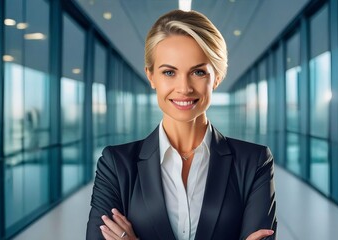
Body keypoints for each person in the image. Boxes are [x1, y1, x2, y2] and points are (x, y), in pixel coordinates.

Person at [86, 9, 277, 240]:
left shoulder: (254, 162)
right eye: (169, 72)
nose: (184, 87)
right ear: (151, 76)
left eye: (198, 72)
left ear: (216, 77)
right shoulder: (116, 165)